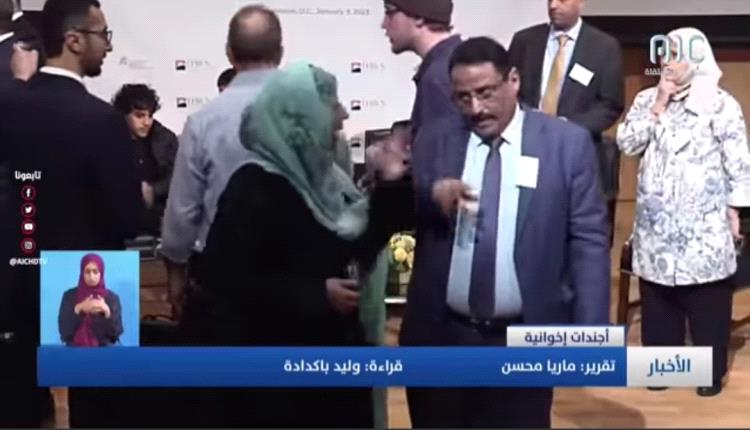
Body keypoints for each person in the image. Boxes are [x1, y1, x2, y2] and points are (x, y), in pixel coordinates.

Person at [399, 37, 610, 428]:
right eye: (463, 98)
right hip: (442, 337)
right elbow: (409, 209)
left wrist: (591, 332)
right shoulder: (435, 138)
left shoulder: (565, 145)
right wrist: (430, 195)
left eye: (485, 93)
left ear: (513, 80)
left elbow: (588, 239)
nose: (476, 109)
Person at [187, 62, 410, 427]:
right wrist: (316, 294)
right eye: (331, 104)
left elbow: (359, 245)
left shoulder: (325, 180)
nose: (343, 114)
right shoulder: (253, 187)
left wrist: (390, 184)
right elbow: (224, 279)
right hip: (278, 383)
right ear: (300, 120)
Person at [0, 0, 142, 427]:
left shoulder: (10, 104)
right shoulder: (102, 121)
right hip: (87, 273)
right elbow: (128, 219)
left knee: (17, 403)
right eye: (103, 35)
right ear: (74, 40)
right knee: (101, 409)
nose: (109, 47)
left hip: (15, 275)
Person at [617, 27, 750, 397]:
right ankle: (662, 367)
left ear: (696, 57)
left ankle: (708, 373)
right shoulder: (647, 99)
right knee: (658, 299)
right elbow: (627, 143)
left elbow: (739, 164)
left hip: (704, 227)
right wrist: (659, 102)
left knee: (707, 300)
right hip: (656, 228)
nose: (666, 61)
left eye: (676, 53)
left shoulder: (720, 103)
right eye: (664, 52)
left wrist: (735, 212)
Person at [161, 4, 282, 317]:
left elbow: (183, 212)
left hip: (222, 279)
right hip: (301, 279)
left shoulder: (203, 122)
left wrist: (176, 273)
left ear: (229, 54)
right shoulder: (319, 116)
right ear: (280, 53)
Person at [508, 0, 624, 244]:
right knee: (523, 225)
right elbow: (507, 91)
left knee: (567, 230)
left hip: (573, 152)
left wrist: (566, 128)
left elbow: (610, 104)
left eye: (562, 0)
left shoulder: (604, 47)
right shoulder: (524, 41)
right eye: (549, 0)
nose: (553, 6)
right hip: (526, 148)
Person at [381, 0, 462, 138]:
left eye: (389, 12)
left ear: (419, 18)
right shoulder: (451, 62)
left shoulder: (440, 76)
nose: (383, 24)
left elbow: (444, 149)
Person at [112, 83, 179, 236]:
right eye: (139, 116)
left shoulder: (165, 139)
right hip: (118, 219)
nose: (147, 122)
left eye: (150, 115)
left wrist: (153, 190)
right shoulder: (107, 139)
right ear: (123, 114)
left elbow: (178, 177)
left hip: (158, 219)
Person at [58, 254, 123, 347]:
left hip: (103, 351)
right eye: (87, 272)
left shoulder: (112, 298)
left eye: (95, 272)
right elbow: (64, 333)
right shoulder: (69, 296)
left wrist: (107, 312)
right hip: (74, 351)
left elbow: (115, 335)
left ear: (101, 273)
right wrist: (78, 308)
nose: (91, 276)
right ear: (82, 273)